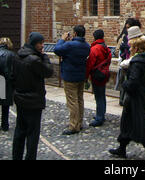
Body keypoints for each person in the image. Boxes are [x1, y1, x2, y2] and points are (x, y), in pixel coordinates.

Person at [109, 36, 145, 160]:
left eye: (132, 47)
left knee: (143, 124)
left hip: (136, 98)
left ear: (137, 48)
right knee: (127, 122)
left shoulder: (137, 62)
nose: (130, 49)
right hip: (139, 96)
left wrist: (124, 84)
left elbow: (134, 82)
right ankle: (122, 148)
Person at [12, 32, 53, 160]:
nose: (42, 45)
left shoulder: (17, 56)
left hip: (20, 99)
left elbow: (12, 77)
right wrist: (45, 57)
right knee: (32, 134)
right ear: (34, 44)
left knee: (19, 131)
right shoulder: (34, 60)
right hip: (33, 101)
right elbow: (48, 71)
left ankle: (16, 157)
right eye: (40, 43)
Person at [54, 25, 90, 135]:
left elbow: (57, 50)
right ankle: (79, 122)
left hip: (70, 76)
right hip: (80, 75)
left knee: (72, 101)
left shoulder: (70, 45)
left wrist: (62, 39)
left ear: (74, 33)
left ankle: (74, 126)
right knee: (79, 99)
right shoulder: (86, 46)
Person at [86, 29, 112, 127]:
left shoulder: (95, 48)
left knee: (99, 96)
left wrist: (86, 76)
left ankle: (99, 117)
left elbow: (90, 63)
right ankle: (101, 114)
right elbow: (109, 58)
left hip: (97, 74)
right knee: (102, 95)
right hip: (104, 73)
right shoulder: (105, 47)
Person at [0, 37, 15, 131]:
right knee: (5, 105)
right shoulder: (11, 55)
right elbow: (12, 70)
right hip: (5, 81)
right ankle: (5, 124)